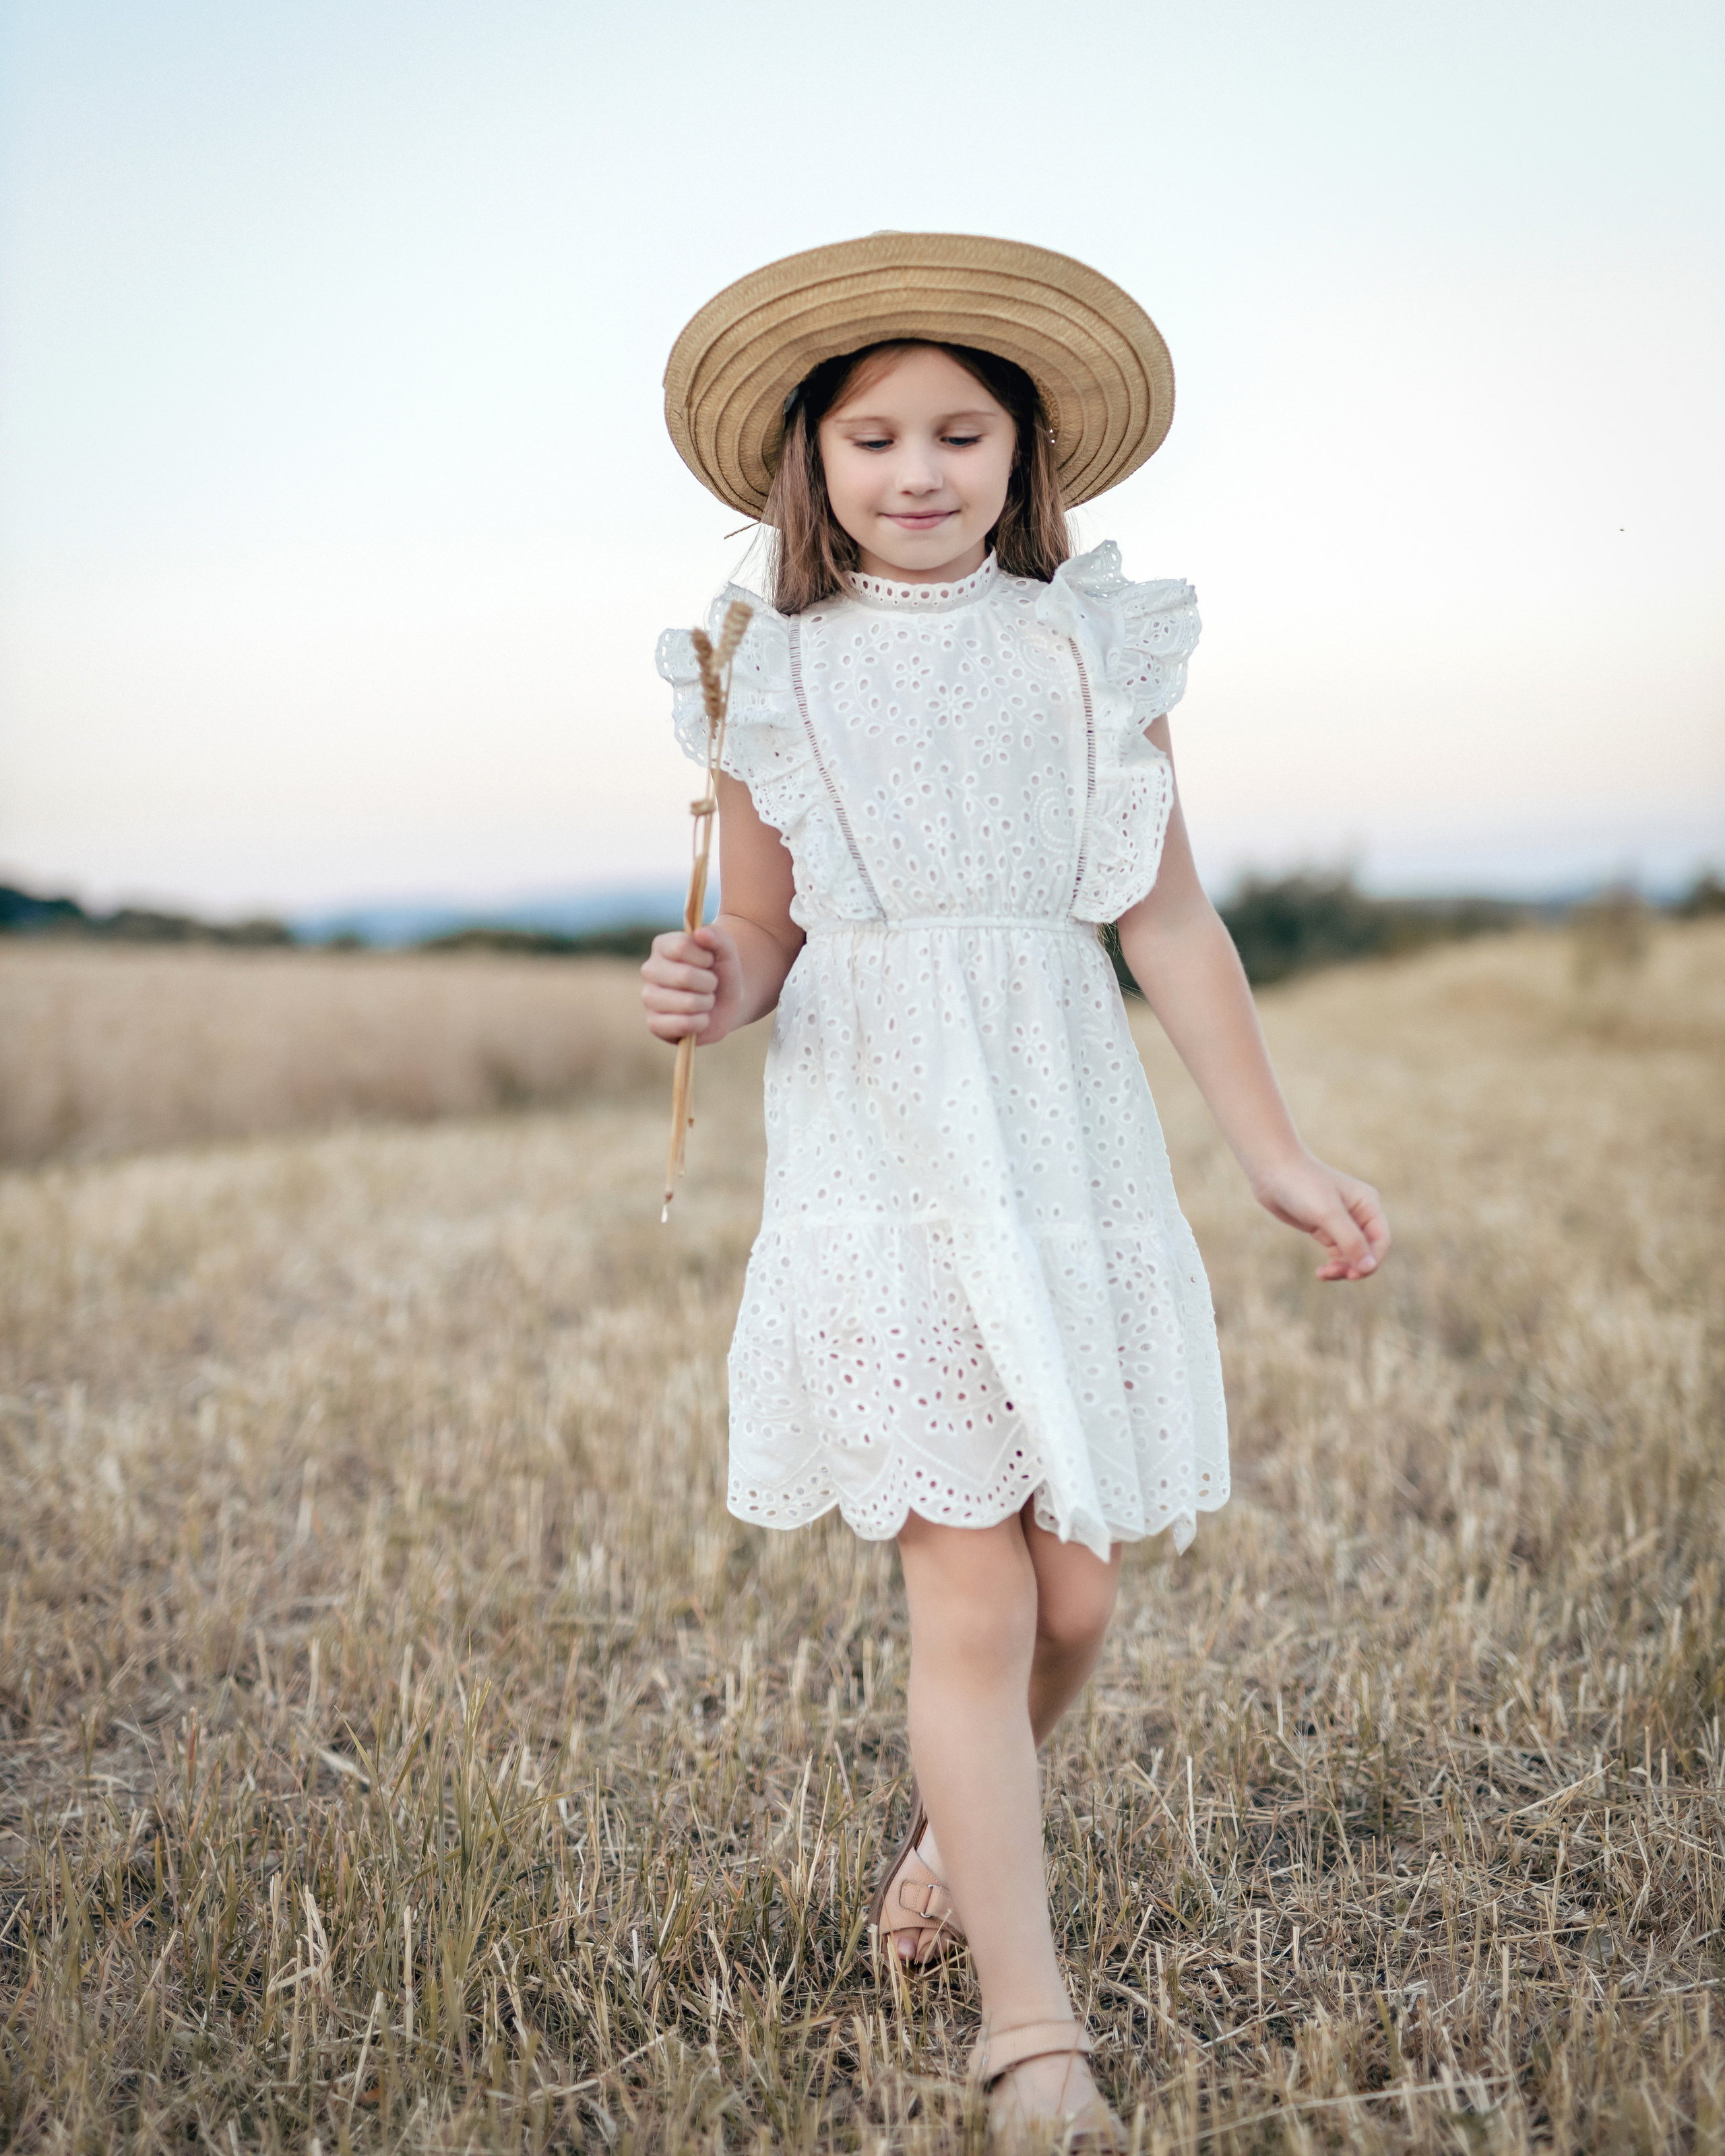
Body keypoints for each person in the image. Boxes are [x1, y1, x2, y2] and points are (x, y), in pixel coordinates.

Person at [641, 234, 1389, 2148]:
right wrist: (708, 987)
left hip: (1058, 1141)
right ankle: (1028, 2027)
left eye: (956, 432)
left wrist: (1279, 1158)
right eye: (872, 434)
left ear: (1020, 451)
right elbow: (761, 934)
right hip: (878, 1157)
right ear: (806, 464)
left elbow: (1171, 918)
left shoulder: (1086, 651)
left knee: (1078, 1595)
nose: (915, 469)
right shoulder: (766, 675)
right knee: (969, 1596)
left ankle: (948, 1839)